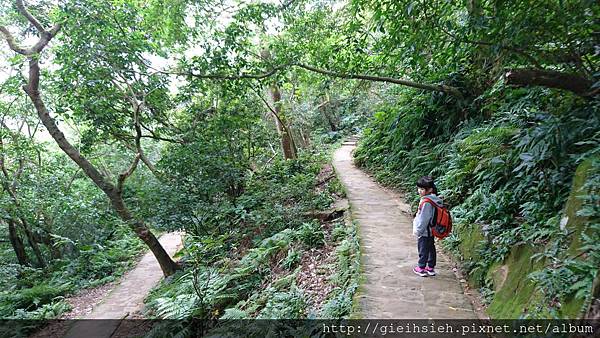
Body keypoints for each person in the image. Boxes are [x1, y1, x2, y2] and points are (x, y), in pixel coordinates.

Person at [412, 176, 443, 277]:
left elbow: (424, 218)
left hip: (425, 230)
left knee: (423, 249)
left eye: (422, 189)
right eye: (419, 188)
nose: (419, 191)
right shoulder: (434, 199)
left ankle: (421, 268)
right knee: (431, 248)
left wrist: (418, 230)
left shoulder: (426, 202)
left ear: (429, 189)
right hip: (431, 230)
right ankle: (430, 267)